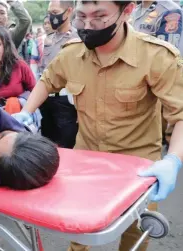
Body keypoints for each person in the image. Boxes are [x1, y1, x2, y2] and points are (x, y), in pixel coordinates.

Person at [12, 1, 183, 251]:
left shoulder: (156, 57)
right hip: (87, 163)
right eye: (82, 16)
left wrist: (174, 159)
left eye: (100, 16)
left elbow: (180, 114)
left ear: (127, 11)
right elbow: (48, 80)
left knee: (135, 234)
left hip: (138, 169)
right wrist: (27, 111)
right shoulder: (72, 53)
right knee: (80, 231)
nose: (88, 25)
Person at [130, 0, 183, 152]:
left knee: (154, 129)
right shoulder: (135, 9)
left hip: (154, 79)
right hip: (132, 75)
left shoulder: (169, 11)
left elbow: (165, 54)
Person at [39, 0, 79, 149]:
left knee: (67, 145)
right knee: (47, 145)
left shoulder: (78, 38)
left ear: (68, 12)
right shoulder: (48, 39)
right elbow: (43, 68)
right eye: (49, 13)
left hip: (66, 101)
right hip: (46, 99)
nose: (51, 17)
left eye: (55, 13)